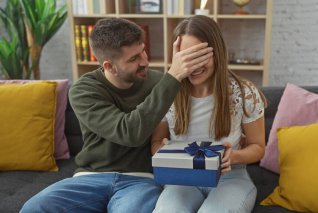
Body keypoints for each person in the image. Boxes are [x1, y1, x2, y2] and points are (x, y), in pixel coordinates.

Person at [20, 18, 213, 213]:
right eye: (134, 59)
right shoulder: (83, 90)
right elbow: (129, 133)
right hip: (89, 178)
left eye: (143, 51)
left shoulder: (160, 83)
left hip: (140, 180)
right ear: (109, 66)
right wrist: (172, 77)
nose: (145, 62)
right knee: (33, 208)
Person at [151, 15, 267, 213]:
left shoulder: (243, 92)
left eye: (200, 55)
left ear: (217, 52)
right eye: (186, 57)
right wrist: (163, 152)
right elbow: (155, 144)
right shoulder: (168, 93)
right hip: (183, 179)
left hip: (230, 178)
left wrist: (235, 156)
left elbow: (258, 147)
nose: (193, 66)